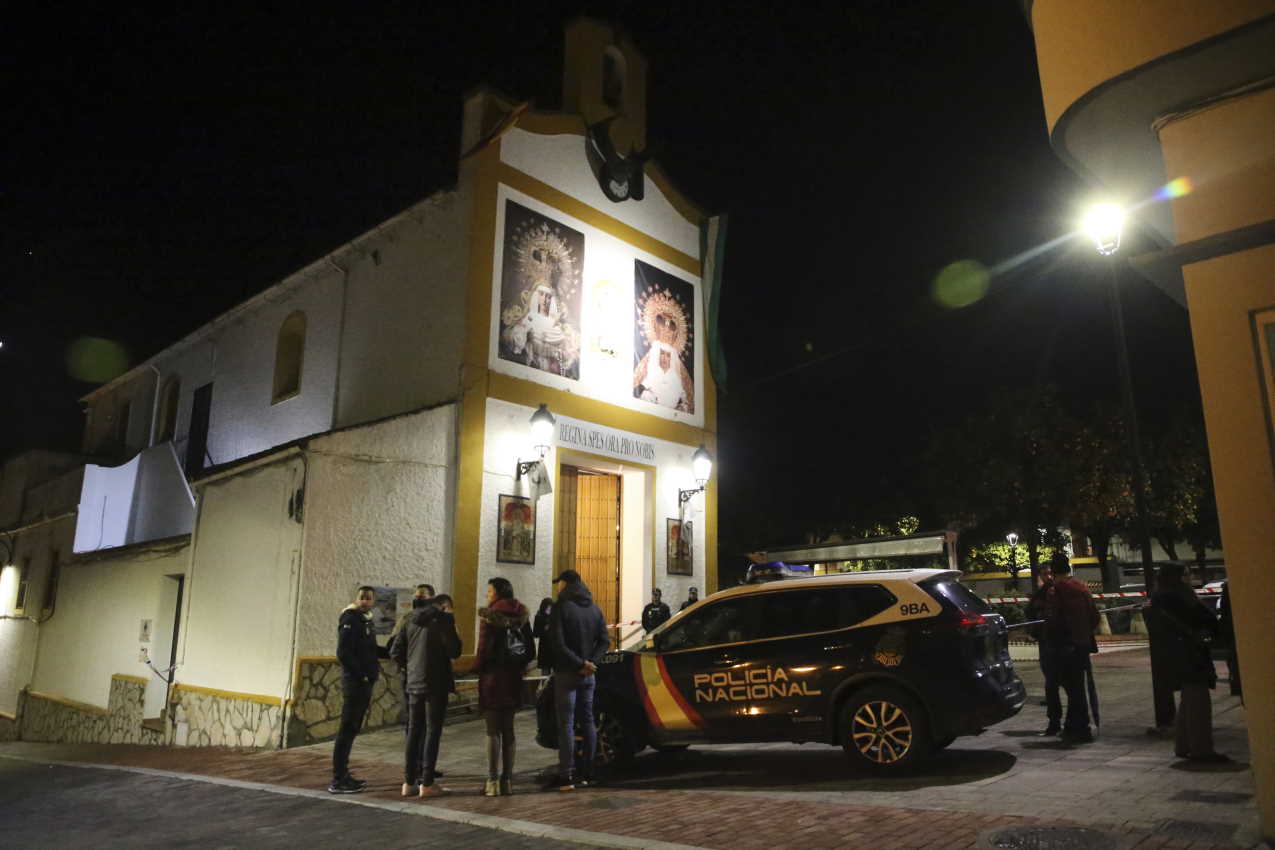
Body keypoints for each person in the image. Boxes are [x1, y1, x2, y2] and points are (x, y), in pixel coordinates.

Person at [1150, 563, 1228, 762]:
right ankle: (1202, 749)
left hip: (1177, 655)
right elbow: (1204, 619)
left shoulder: (1161, 597)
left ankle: (1183, 744)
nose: (1190, 577)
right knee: (1198, 703)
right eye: (1187, 574)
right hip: (1191, 655)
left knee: (1189, 701)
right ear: (1178, 577)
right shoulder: (1180, 597)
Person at [389, 593, 460, 797]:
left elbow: (396, 651)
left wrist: (410, 668)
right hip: (436, 684)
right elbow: (455, 650)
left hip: (413, 683)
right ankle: (427, 783)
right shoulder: (444, 619)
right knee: (432, 731)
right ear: (444, 606)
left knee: (414, 731)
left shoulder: (410, 618)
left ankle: (409, 781)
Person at [473, 577, 535, 797]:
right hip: (514, 679)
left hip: (493, 679)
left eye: (489, 591)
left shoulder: (489, 617)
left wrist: (475, 668)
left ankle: (492, 781)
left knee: (492, 730)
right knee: (509, 730)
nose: (487, 595)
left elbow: (483, 651)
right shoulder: (523, 615)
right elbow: (530, 650)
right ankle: (507, 780)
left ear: (498, 593)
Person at [550, 569, 610, 791]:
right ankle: (589, 771)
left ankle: (566, 774)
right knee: (588, 721)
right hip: (588, 675)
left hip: (568, 672)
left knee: (565, 722)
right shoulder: (594, 608)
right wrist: (591, 663)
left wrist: (578, 664)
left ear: (565, 584)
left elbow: (558, 643)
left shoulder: (561, 607)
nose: (557, 587)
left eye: (559, 583)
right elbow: (604, 641)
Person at [330, 586, 385, 793]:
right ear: (356, 598)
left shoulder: (366, 620)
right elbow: (343, 652)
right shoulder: (350, 618)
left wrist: (392, 651)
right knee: (347, 729)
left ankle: (343, 774)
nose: (365, 600)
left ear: (373, 602)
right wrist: (360, 675)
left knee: (352, 729)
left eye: (369, 598)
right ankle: (337, 779)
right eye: (362, 597)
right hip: (356, 683)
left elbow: (370, 649)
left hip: (364, 681)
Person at [1042, 554, 1100, 744]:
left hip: (1064, 646)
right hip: (1082, 644)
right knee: (1078, 687)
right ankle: (1077, 726)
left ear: (1053, 571)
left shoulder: (1055, 591)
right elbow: (1095, 616)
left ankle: (1078, 727)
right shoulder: (1082, 587)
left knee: (1070, 688)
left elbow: (1053, 620)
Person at [1026, 564, 1062, 736]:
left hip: (1058, 642)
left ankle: (1065, 722)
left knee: (1060, 683)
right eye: (1044, 573)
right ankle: (1055, 723)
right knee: (1051, 683)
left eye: (1050, 573)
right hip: (1046, 641)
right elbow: (1030, 614)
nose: (1048, 576)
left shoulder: (1058, 592)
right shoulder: (1039, 595)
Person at [1143, 572, 1179, 737]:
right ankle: (1170, 720)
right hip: (1171, 647)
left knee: (1164, 685)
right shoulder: (1171, 597)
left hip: (1164, 648)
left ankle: (1168, 720)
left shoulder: (1161, 597)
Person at [533, 597, 555, 674]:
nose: (549, 610)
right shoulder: (539, 616)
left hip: (554, 648)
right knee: (545, 672)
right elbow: (535, 634)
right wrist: (544, 629)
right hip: (544, 648)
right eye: (548, 607)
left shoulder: (555, 616)